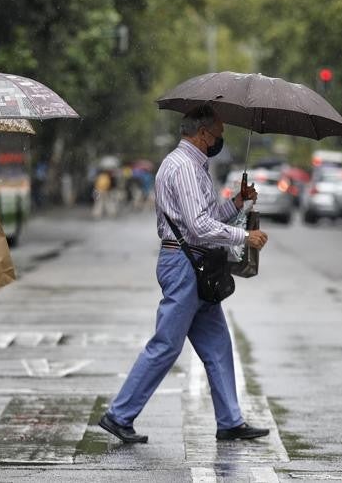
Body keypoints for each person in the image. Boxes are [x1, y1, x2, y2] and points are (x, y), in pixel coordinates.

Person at [98, 105, 270, 444]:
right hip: (185, 266)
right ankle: (119, 415)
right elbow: (199, 226)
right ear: (203, 133)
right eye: (219, 132)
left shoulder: (193, 165)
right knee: (166, 344)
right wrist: (243, 236)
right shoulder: (184, 167)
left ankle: (230, 421)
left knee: (218, 344)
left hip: (196, 265)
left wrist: (237, 202)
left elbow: (207, 215)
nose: (221, 137)